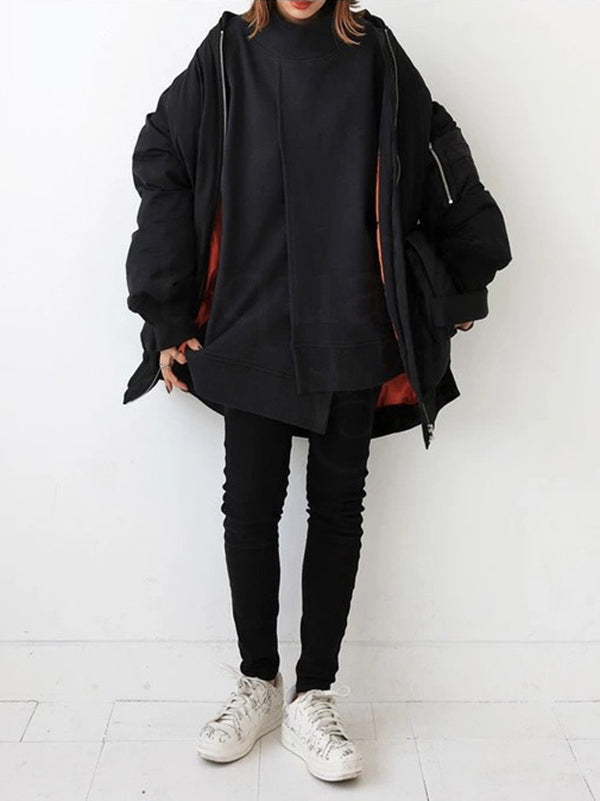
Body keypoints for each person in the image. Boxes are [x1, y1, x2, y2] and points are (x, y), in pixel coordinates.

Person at [122, 0, 511, 784]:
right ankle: (257, 683)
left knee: (337, 509)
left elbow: (434, 152)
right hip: (251, 320)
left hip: (350, 320)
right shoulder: (226, 54)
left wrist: (461, 280)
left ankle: (314, 695)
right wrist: (167, 311)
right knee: (249, 507)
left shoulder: (375, 53)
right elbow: (164, 154)